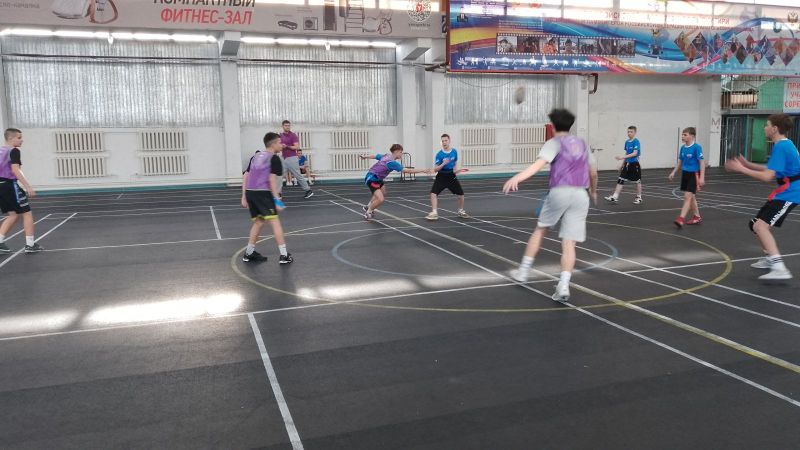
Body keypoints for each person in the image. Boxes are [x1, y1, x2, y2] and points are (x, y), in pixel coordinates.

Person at [503, 109, 598, 302]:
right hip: (581, 195)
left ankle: (523, 272)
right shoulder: (583, 144)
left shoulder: (554, 143)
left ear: (553, 126)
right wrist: (594, 191)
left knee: (541, 230)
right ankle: (563, 285)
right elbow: (593, 173)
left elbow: (537, 166)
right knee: (569, 242)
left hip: (560, 192)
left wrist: (517, 177)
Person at [725, 114, 799, 280]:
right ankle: (770, 258)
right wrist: (748, 164)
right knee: (755, 224)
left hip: (791, 192)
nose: (764, 128)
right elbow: (771, 168)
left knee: (761, 227)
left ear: (774, 129)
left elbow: (767, 176)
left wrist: (741, 169)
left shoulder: (781, 147)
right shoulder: (784, 144)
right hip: (785, 191)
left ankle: (780, 268)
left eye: (767, 125)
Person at [240, 132, 293, 264]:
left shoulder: (255, 156)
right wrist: (276, 199)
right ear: (273, 144)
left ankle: (249, 253)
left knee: (259, 222)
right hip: (263, 194)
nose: (282, 144)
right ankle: (284, 255)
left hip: (250, 193)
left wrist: (244, 196)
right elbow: (271, 180)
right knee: (275, 222)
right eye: (280, 142)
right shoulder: (274, 158)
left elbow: (246, 175)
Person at [359, 144, 430, 220]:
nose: (401, 154)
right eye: (401, 152)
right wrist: (423, 170)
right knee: (380, 199)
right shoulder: (391, 162)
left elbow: (376, 156)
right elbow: (408, 170)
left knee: (383, 192)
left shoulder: (386, 155)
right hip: (372, 178)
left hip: (378, 178)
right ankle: (369, 212)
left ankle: (368, 206)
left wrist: (365, 157)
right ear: (396, 152)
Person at [0, 128, 42, 254]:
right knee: (27, 213)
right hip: (9, 185)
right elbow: (15, 170)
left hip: (1, 186)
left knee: (13, 215)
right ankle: (30, 245)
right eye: (19, 138)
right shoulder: (14, 151)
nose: (21, 140)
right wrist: (27, 186)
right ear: (10, 138)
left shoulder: (1, 151)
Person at [668, 127, 705, 228]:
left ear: (692, 136)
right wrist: (673, 172)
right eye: (682, 134)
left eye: (685, 135)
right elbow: (680, 161)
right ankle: (697, 216)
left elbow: (702, 162)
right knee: (692, 197)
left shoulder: (697, 147)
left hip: (694, 174)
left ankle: (681, 219)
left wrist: (702, 177)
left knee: (687, 196)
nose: (683, 136)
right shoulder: (683, 148)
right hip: (685, 174)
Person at [426, 134, 468, 220]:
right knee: (433, 194)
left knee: (461, 195)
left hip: (451, 176)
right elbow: (435, 169)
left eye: (446, 140)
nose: (444, 142)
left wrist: (456, 170)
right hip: (441, 176)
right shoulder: (439, 154)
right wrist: (443, 164)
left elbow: (455, 162)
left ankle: (460, 211)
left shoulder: (454, 152)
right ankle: (434, 212)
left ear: (449, 141)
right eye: (442, 141)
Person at [604, 125, 643, 204]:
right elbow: (627, 153)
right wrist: (621, 164)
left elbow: (635, 153)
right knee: (620, 179)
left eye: (631, 132)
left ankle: (639, 197)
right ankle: (615, 196)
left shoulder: (636, 141)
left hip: (634, 164)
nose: (629, 133)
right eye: (628, 132)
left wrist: (622, 157)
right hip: (627, 164)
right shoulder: (627, 142)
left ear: (635, 132)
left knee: (638, 181)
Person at [278, 120, 313, 199]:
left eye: (289, 125)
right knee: (279, 176)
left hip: (292, 158)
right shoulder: (280, 135)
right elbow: (279, 146)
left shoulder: (293, 135)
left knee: (297, 175)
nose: (288, 127)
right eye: (286, 125)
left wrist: (287, 146)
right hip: (283, 158)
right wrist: (280, 147)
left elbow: (297, 147)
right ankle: (278, 193)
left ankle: (308, 190)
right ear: (282, 126)